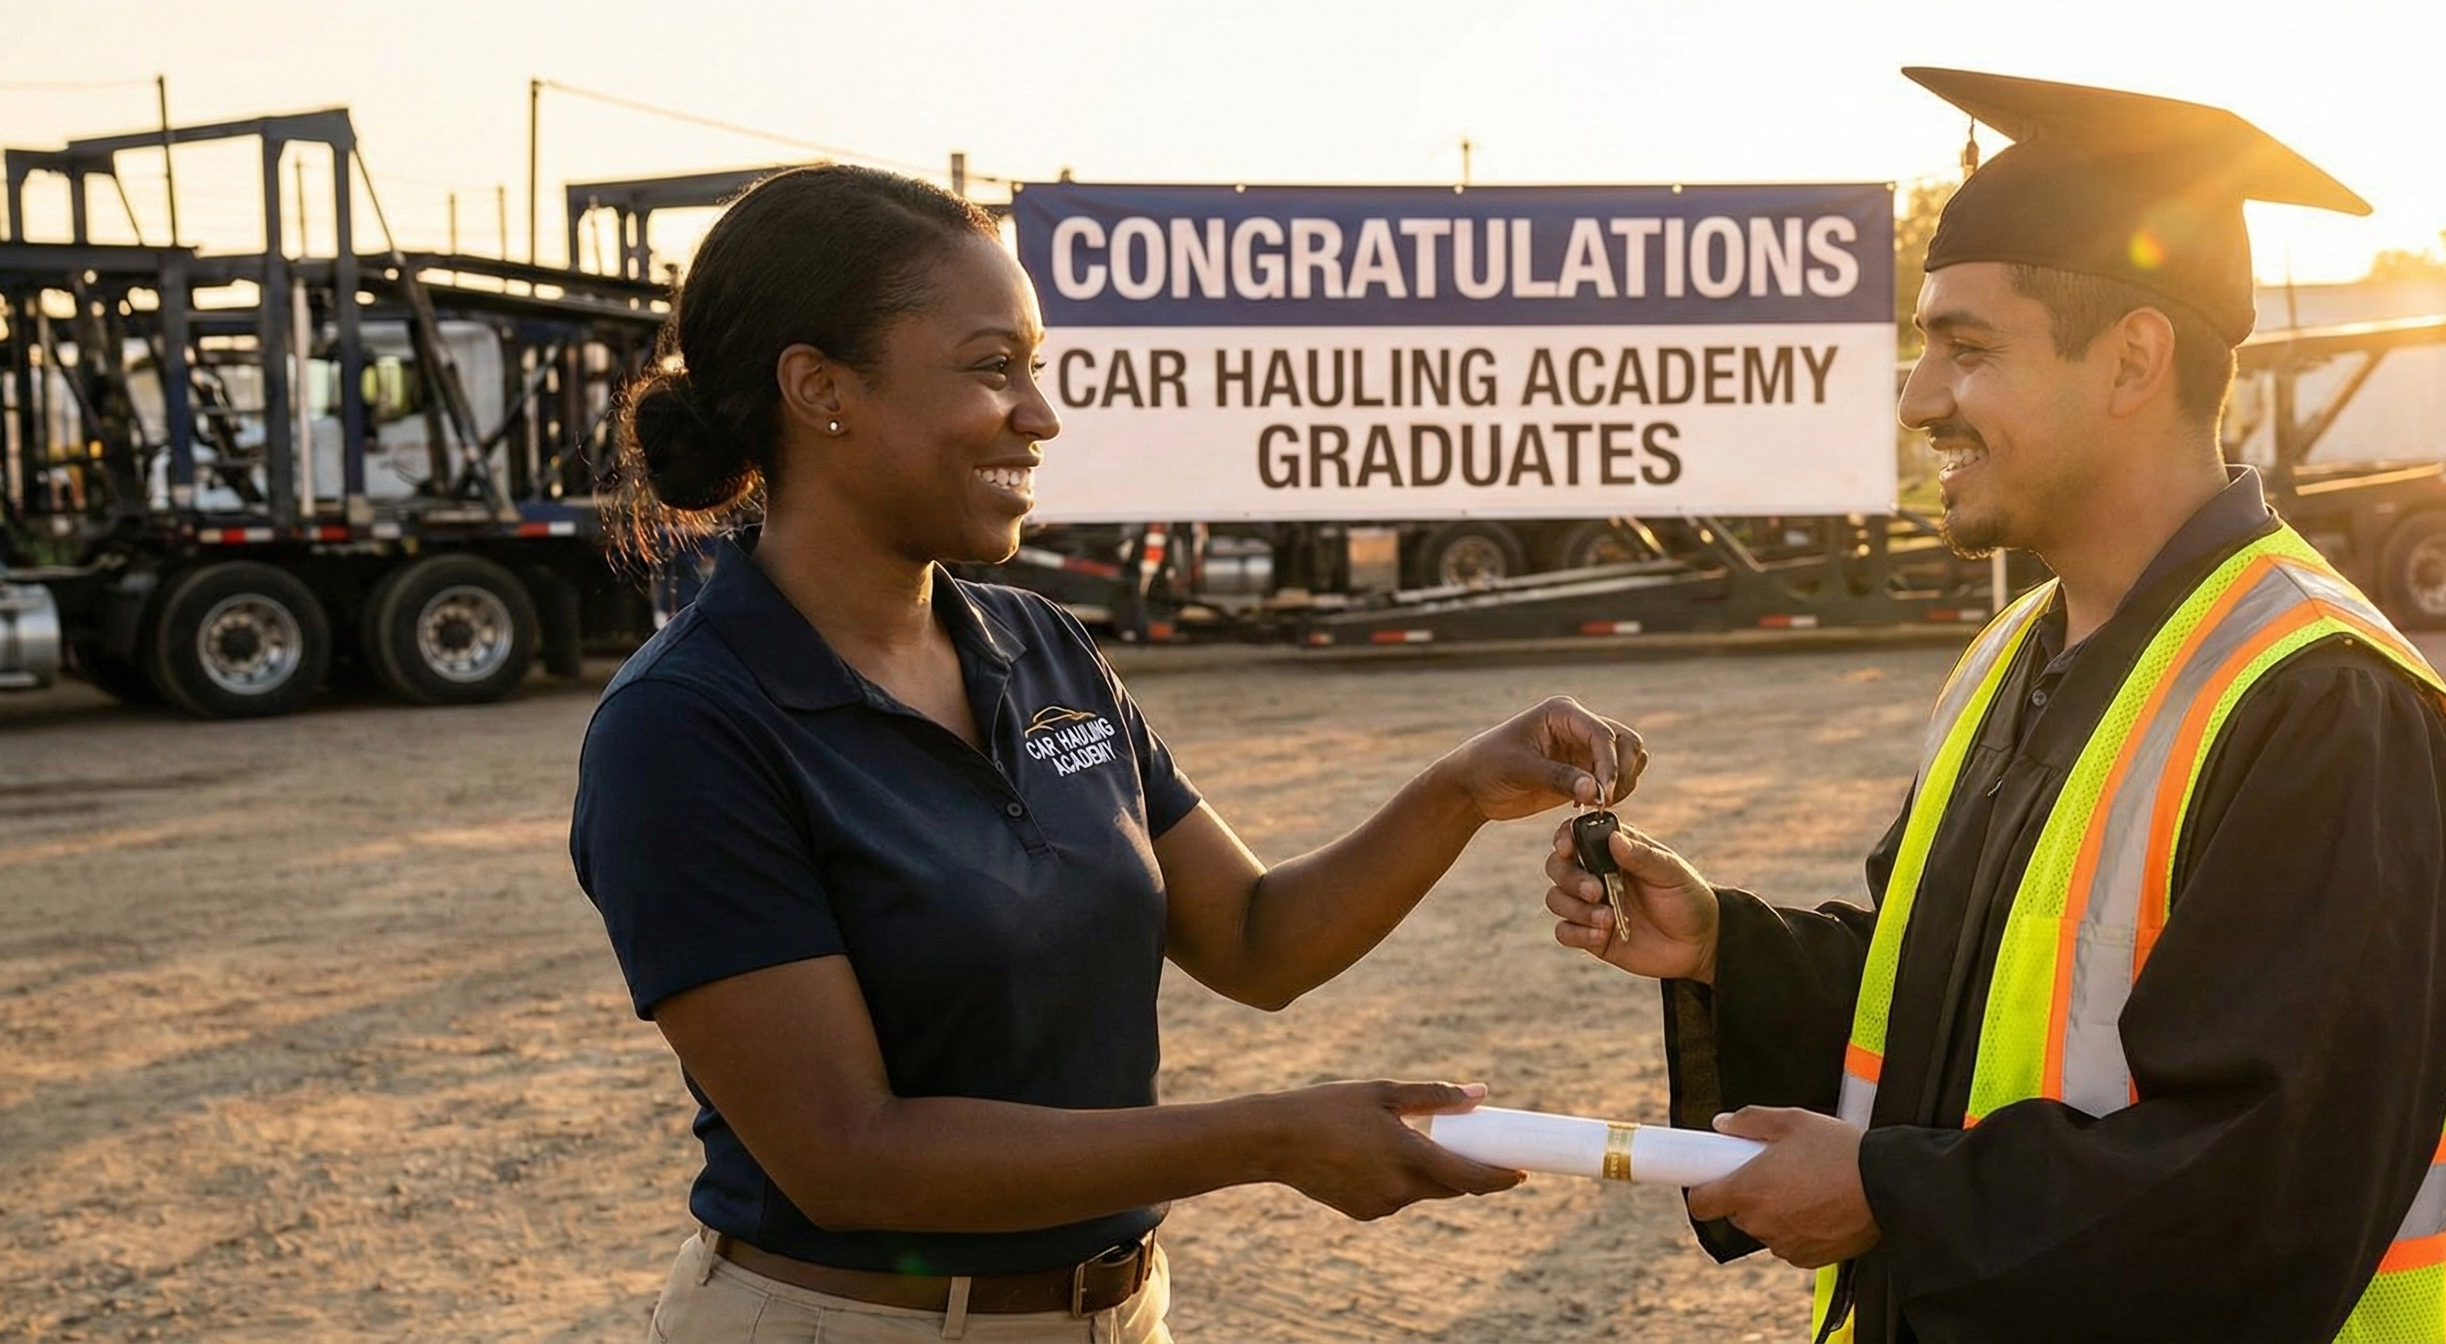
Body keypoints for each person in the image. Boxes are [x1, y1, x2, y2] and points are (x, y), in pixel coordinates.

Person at [572, 165, 1647, 1343]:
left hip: (1115, 1317)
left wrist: (1456, 790)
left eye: (1035, 365)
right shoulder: (686, 726)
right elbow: (850, 1158)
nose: (1040, 413)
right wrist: (1271, 1137)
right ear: (820, 387)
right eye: (992, 367)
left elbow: (1253, 939)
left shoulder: (1037, 647)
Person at [1543, 71, 2446, 1343]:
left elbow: (2270, 1188)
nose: (1917, 397)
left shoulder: (2325, 705)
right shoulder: (2013, 651)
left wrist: (1896, 1195)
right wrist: (1729, 948)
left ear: (2133, 360)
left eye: (1965, 346)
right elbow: (1978, 1014)